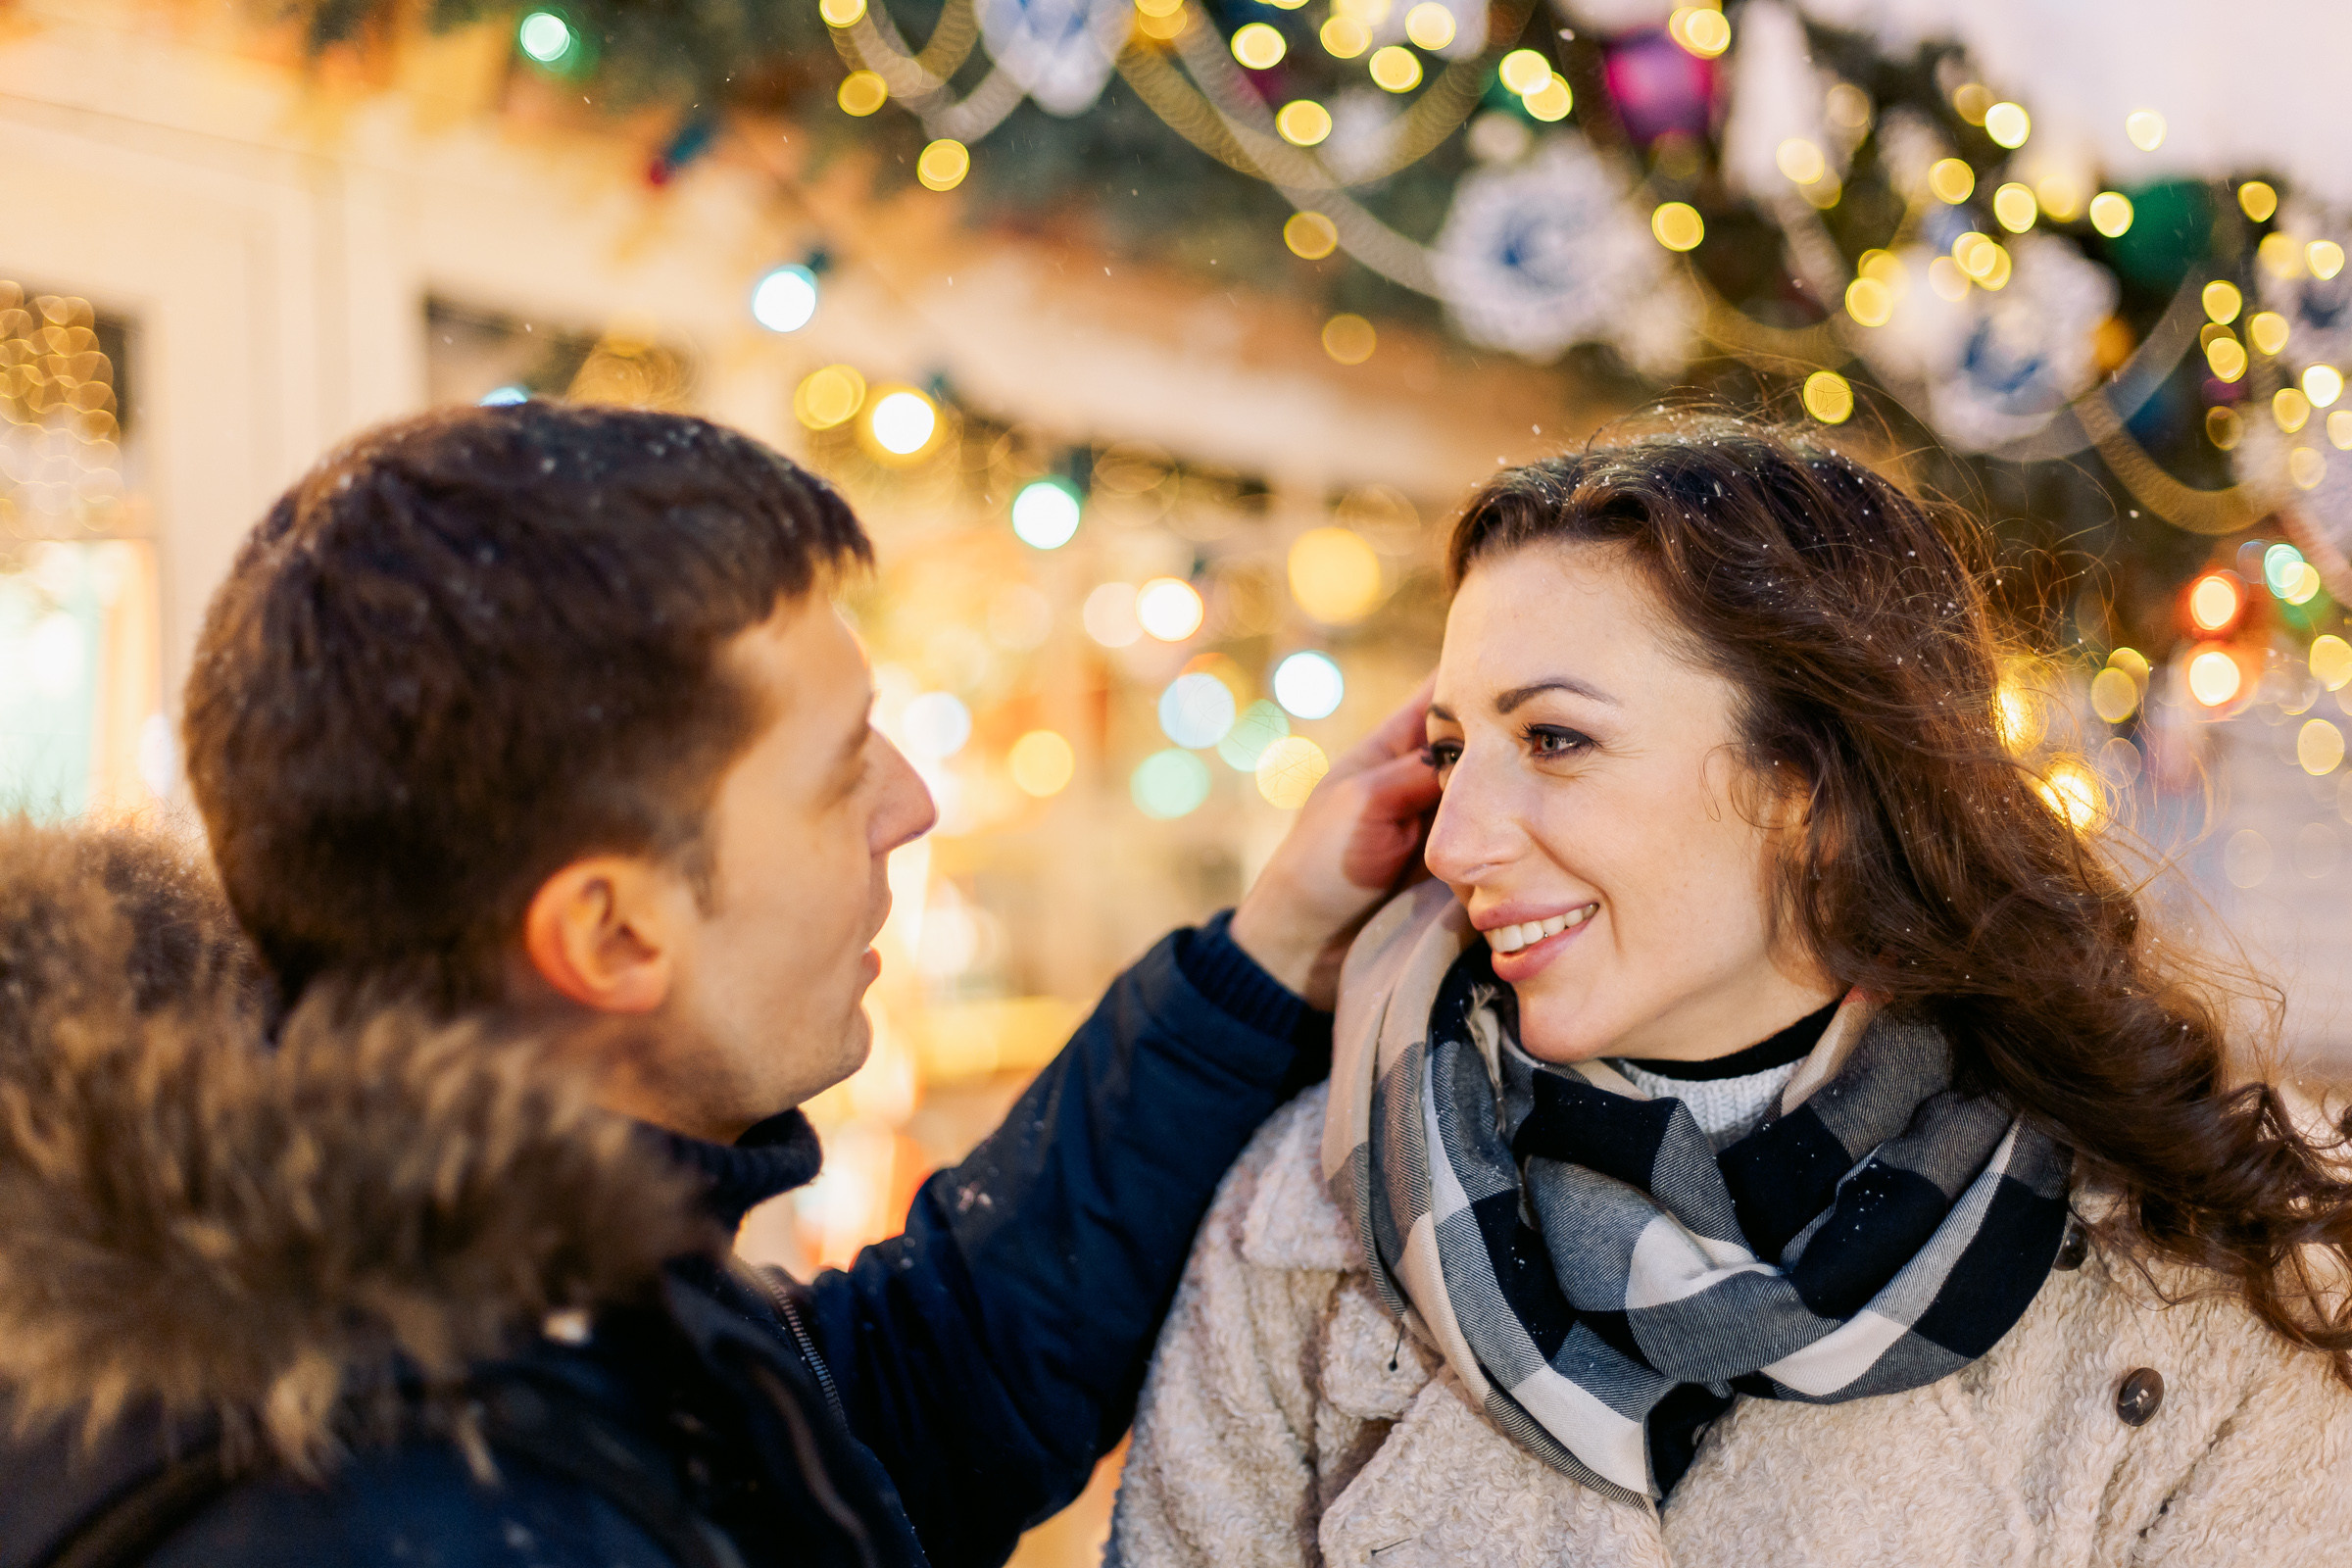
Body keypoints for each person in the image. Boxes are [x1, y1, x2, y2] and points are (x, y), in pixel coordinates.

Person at [0, 401, 1442, 1568]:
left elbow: (901, 1408)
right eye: (838, 771)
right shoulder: (421, 1507)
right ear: (614, 935)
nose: (913, 801)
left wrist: (1265, 957)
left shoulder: (483, 1296)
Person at [1108, 416, 2352, 1568]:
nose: (1452, 840)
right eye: (1449, 752)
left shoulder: (2199, 1269)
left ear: (1804, 784)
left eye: (1553, 739)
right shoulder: (1312, 1218)